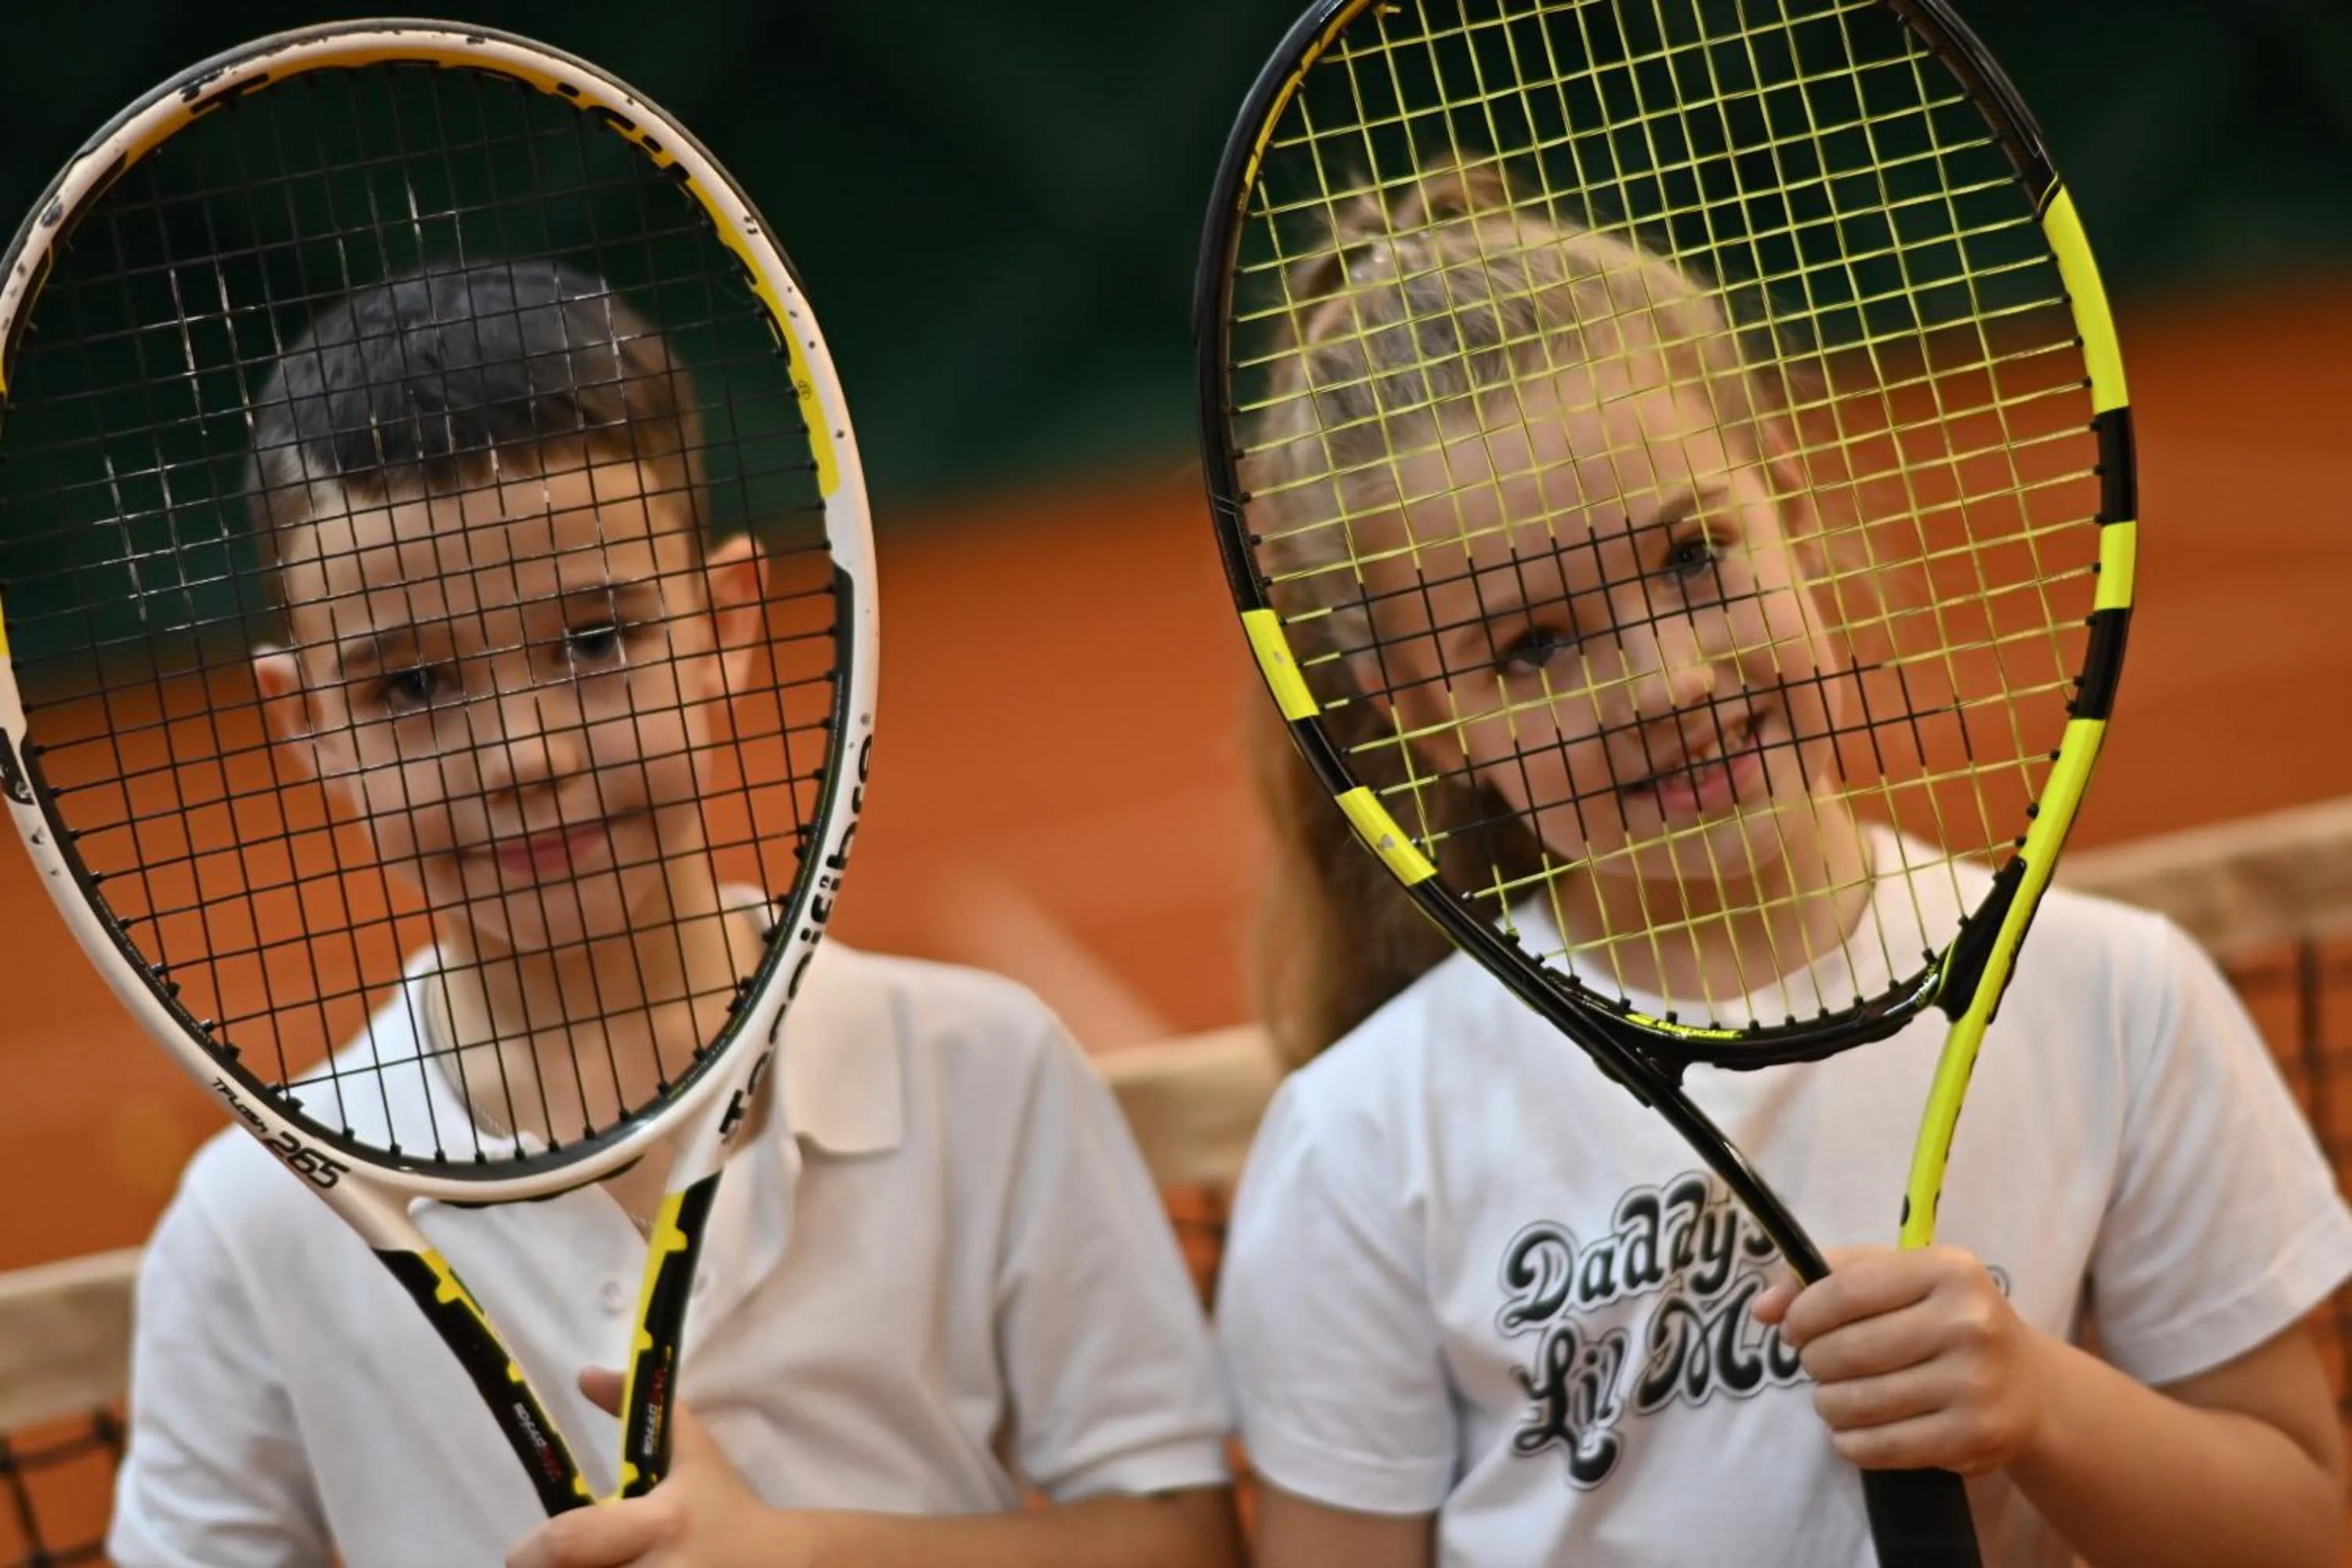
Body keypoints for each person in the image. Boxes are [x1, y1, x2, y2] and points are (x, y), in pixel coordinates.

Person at [1212, 162, 2352, 1567]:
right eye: (1534, 647)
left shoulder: (2114, 995)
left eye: (1696, 557)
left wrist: (2042, 1406)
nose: (1669, 681)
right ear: (1417, 720)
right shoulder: (1363, 1140)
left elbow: (2302, 1525)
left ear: (1792, 518)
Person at [108, 256, 1241, 1568]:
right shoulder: (256, 1226)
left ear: (722, 629)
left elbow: (1179, 1540)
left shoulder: (980, 1068)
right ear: (304, 724)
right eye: (410, 685)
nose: (520, 754)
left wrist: (801, 1556)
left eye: (594, 643)